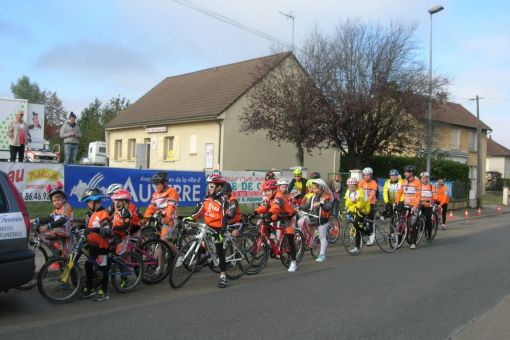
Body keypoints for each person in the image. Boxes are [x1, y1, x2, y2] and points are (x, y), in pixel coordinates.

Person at [188, 174, 230, 288]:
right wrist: (191, 217)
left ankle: (223, 275)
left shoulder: (223, 202)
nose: (209, 188)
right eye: (209, 186)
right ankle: (203, 258)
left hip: (218, 229)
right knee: (201, 241)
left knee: (219, 249)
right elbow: (200, 210)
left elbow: (225, 218)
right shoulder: (207, 198)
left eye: (212, 186)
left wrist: (221, 232)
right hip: (207, 226)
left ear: (218, 187)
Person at [258, 178, 298, 272]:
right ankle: (271, 240)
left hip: (289, 216)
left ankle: (293, 263)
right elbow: (265, 206)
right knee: (265, 222)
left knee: (289, 238)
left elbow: (275, 207)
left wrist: (269, 213)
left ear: (275, 189)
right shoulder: (270, 197)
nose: (267, 193)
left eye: (268, 190)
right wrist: (255, 212)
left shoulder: (279, 196)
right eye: (265, 191)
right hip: (279, 215)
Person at [80, 188, 112, 301]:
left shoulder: (103, 214)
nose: (87, 204)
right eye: (87, 203)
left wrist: (95, 229)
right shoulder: (92, 213)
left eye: (88, 202)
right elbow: (87, 225)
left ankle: (104, 291)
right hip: (92, 246)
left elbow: (107, 231)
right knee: (88, 266)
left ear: (95, 202)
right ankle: (89, 288)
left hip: (101, 247)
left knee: (103, 269)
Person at [30, 181, 73, 256]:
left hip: (67, 235)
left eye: (58, 200)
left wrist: (47, 226)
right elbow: (48, 219)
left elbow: (62, 221)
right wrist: (35, 220)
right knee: (46, 237)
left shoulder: (66, 207)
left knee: (66, 258)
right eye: (54, 201)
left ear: (64, 200)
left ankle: (61, 257)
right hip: (58, 233)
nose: (56, 202)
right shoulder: (55, 210)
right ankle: (56, 255)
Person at [143, 172, 179, 255]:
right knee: (159, 243)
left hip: (170, 220)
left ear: (165, 183)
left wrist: (167, 218)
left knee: (163, 241)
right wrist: (145, 218)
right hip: (160, 219)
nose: (156, 186)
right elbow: (151, 207)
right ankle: (160, 267)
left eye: (158, 184)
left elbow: (171, 207)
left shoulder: (172, 191)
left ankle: (178, 256)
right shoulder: (155, 194)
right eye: (155, 184)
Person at [298, 178, 333, 262]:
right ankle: (308, 237)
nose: (313, 189)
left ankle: (322, 254)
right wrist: (299, 207)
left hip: (322, 219)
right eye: (312, 187)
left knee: (322, 236)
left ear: (321, 188)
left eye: (315, 188)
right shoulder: (313, 196)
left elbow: (328, 207)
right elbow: (308, 205)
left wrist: (321, 204)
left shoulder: (326, 197)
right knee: (300, 221)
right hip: (313, 216)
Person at [395, 165, 422, 249]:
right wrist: (396, 202)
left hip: (414, 205)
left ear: (411, 173)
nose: (404, 174)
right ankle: (398, 242)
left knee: (414, 224)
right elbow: (399, 193)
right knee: (401, 223)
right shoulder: (404, 182)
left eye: (406, 172)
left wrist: (415, 207)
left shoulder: (417, 183)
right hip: (406, 205)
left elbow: (418, 196)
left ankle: (414, 242)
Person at [344, 177, 371, 253]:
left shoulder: (360, 191)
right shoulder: (347, 192)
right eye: (350, 186)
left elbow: (361, 204)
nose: (351, 188)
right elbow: (347, 202)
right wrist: (351, 205)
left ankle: (369, 233)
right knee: (357, 228)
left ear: (356, 185)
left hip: (363, 209)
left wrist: (354, 205)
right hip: (354, 209)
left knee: (356, 224)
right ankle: (357, 247)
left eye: (353, 186)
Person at [110, 189, 134, 255]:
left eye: (119, 201)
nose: (117, 202)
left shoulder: (125, 212)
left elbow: (126, 225)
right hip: (116, 235)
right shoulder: (117, 211)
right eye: (116, 200)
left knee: (119, 254)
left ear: (124, 202)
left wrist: (115, 228)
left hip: (123, 237)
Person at [359, 167, 378, 245]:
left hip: (370, 203)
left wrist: (367, 200)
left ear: (371, 175)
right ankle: (363, 233)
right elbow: (358, 191)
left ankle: (371, 235)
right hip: (362, 204)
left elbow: (372, 194)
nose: (366, 176)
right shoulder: (361, 182)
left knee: (370, 221)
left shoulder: (374, 183)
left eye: (368, 175)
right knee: (360, 219)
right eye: (365, 175)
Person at [419, 172, 437, 242]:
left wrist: (434, 201)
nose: (423, 179)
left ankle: (429, 235)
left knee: (428, 220)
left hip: (428, 205)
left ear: (427, 178)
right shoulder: (419, 186)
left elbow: (435, 196)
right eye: (422, 178)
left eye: (425, 178)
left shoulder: (431, 186)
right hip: (420, 205)